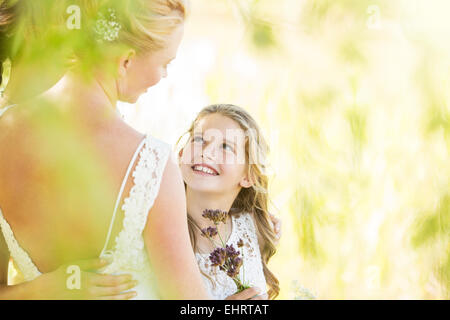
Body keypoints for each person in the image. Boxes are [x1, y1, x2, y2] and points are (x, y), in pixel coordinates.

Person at [0, 0, 211, 299]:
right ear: (125, 60)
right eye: (165, 64)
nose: (163, 77)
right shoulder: (151, 167)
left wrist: (45, 289)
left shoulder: (4, 129)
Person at [178, 104, 280, 299]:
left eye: (226, 147)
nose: (206, 153)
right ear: (182, 153)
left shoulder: (253, 229)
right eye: (199, 140)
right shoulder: (159, 228)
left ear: (249, 175)